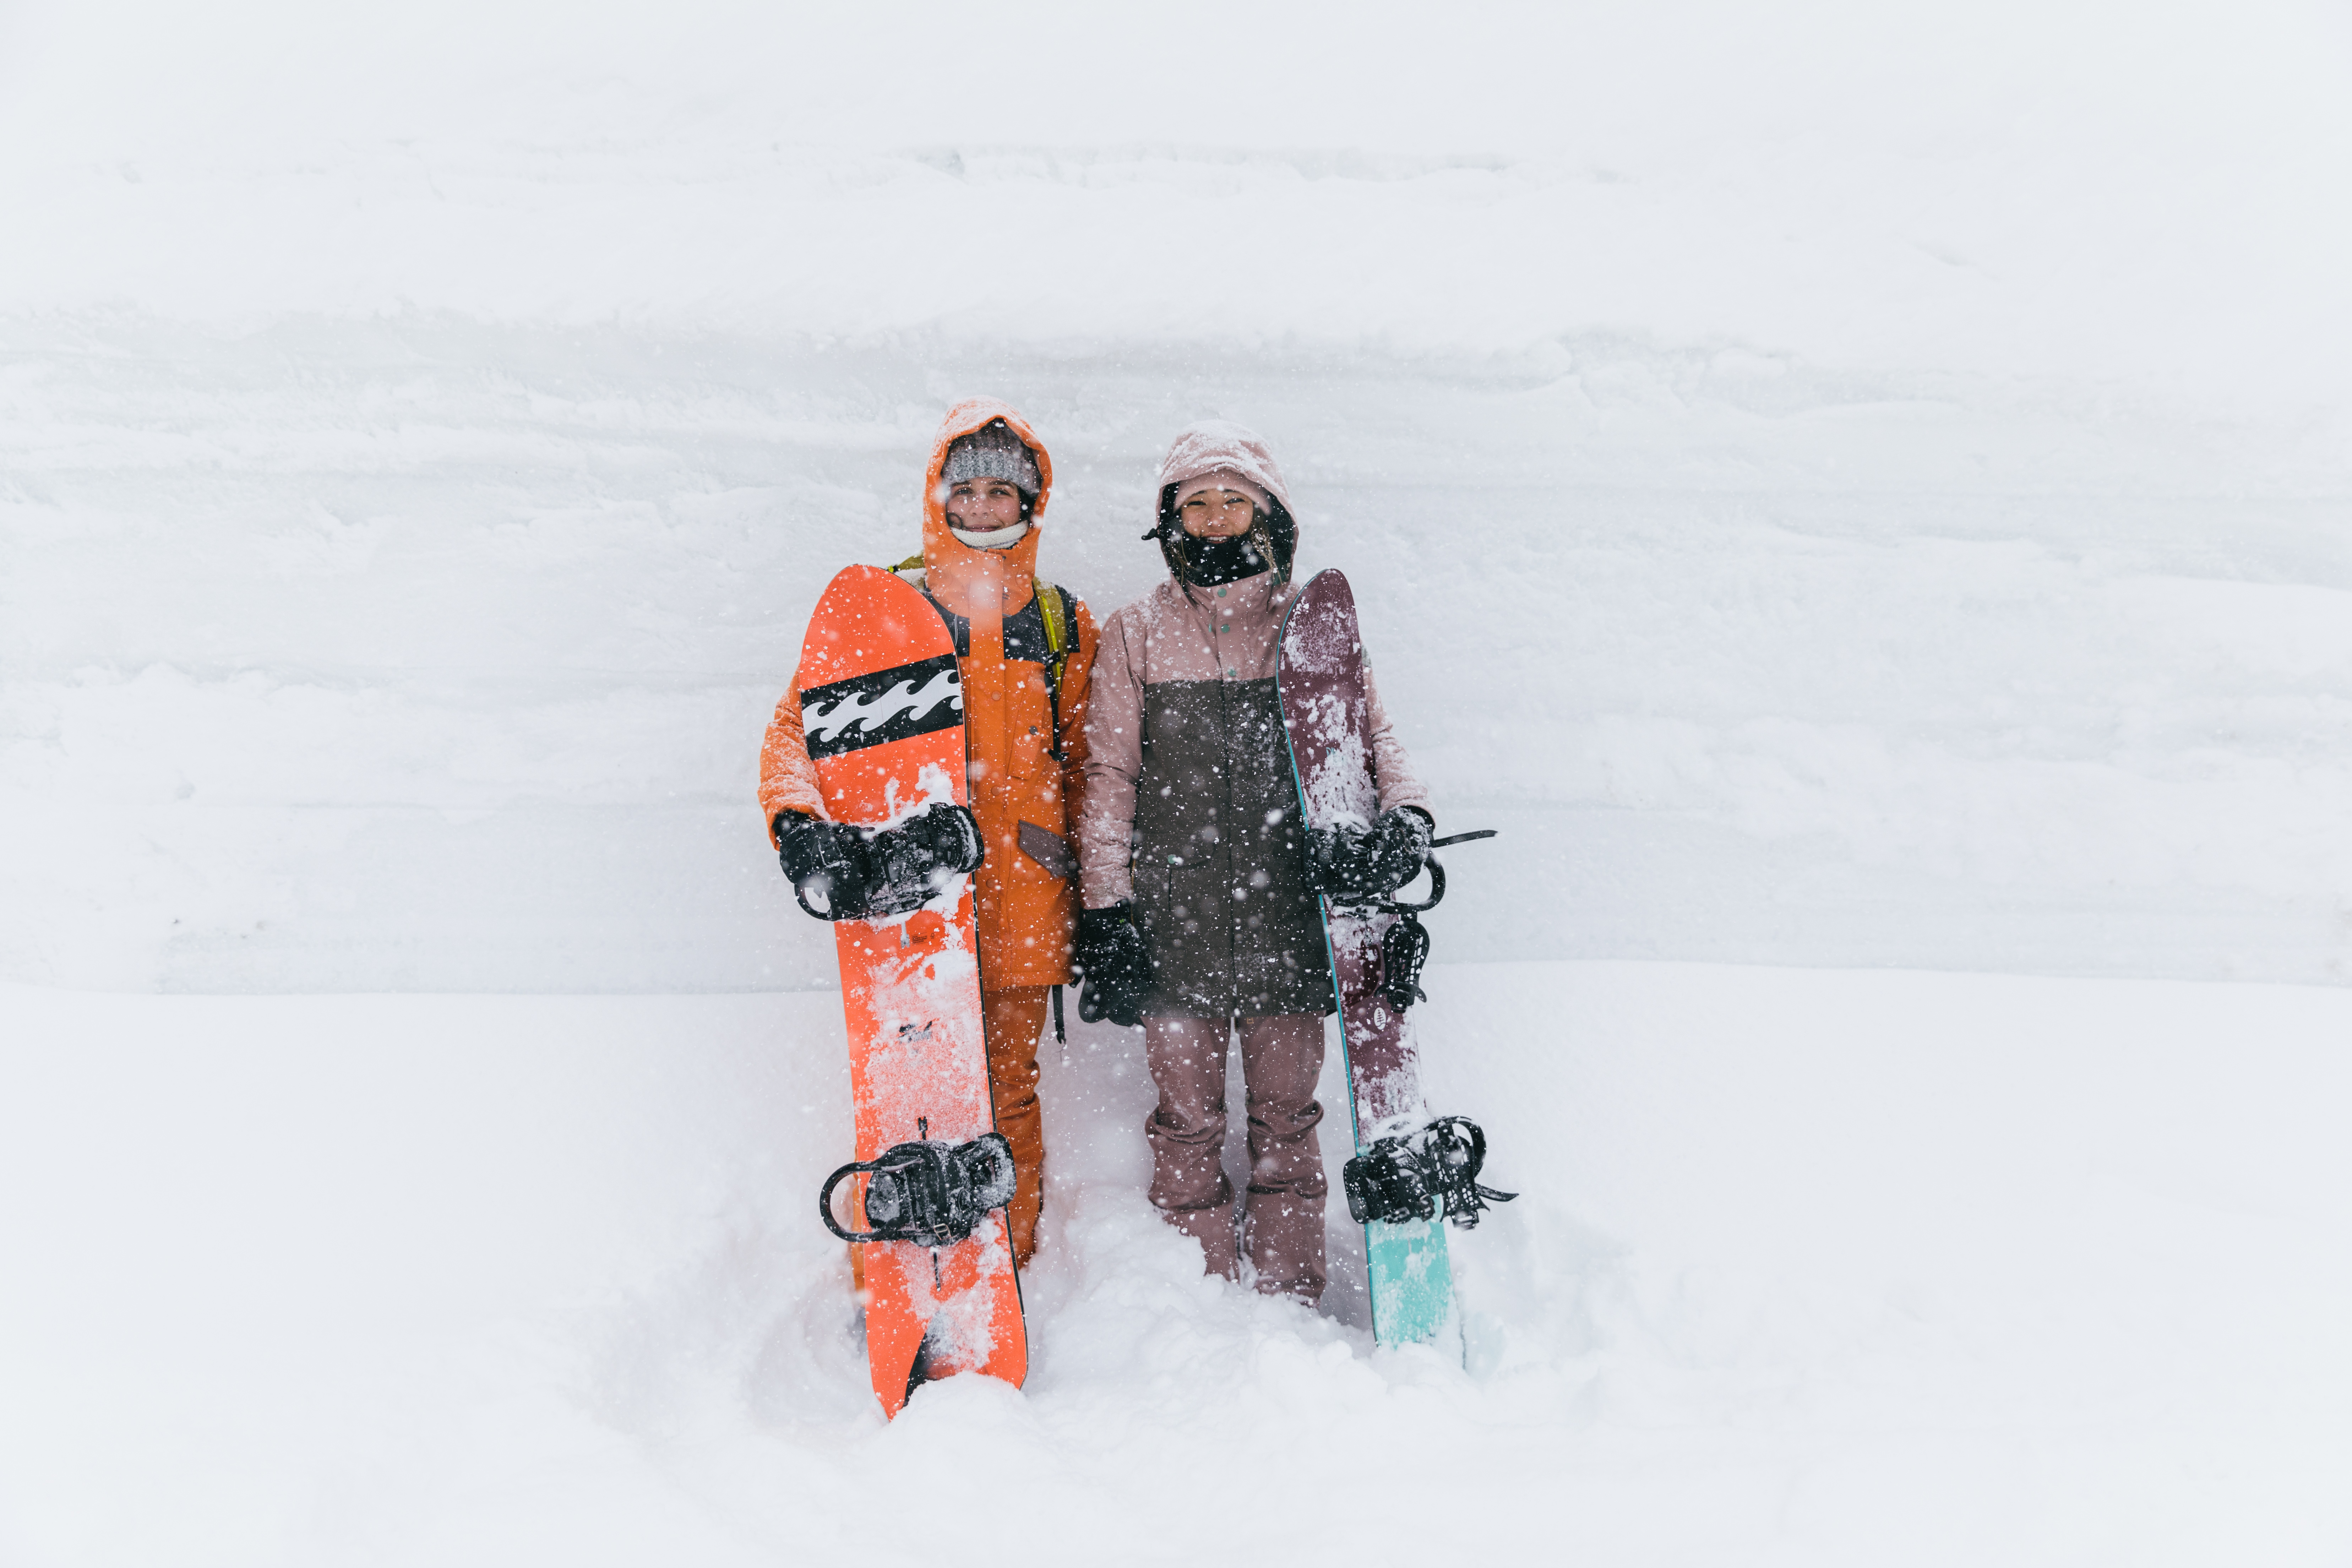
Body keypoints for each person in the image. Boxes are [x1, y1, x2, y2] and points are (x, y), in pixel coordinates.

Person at [1072, 422, 1433, 1303]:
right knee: (1186, 1123)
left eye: (1234, 498)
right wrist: (1108, 909)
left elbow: (1376, 741)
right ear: (1172, 519)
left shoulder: (1313, 629)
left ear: (1269, 508)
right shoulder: (1136, 634)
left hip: (1290, 920)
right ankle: (1192, 1297)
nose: (1218, 517)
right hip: (1174, 922)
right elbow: (1109, 778)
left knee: (1286, 1120)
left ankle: (1290, 1292)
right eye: (1197, 502)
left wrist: (1409, 823)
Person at [760, 399, 1098, 1270]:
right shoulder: (889, 610)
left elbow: (1099, 770)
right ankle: (900, 1276)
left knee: (1008, 1096)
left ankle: (1003, 1275)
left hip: (1027, 898)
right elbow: (795, 732)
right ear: (938, 495)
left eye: (1003, 491)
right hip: (909, 894)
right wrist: (802, 829)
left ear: (1032, 503)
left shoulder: (1063, 623)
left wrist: (1107, 903)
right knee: (914, 1094)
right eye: (968, 489)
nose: (984, 507)